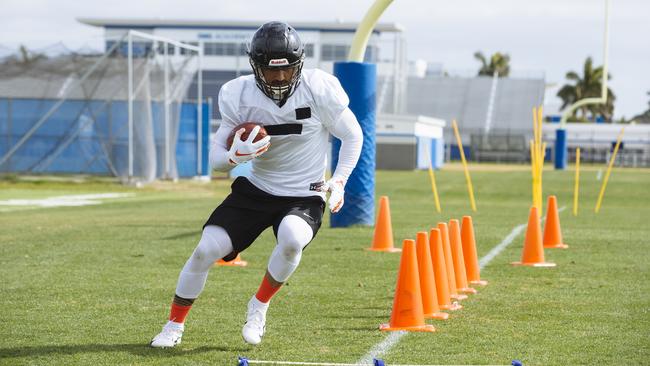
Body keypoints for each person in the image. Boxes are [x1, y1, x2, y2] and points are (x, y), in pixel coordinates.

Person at [150, 21, 363, 348]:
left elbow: (352, 135)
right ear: (255, 66)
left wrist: (340, 180)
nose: (279, 78)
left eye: (287, 70)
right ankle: (173, 326)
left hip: (305, 194)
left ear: (299, 65)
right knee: (205, 250)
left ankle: (259, 306)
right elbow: (216, 160)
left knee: (292, 240)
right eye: (270, 70)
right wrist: (235, 156)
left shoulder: (319, 88)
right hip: (257, 190)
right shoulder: (238, 93)